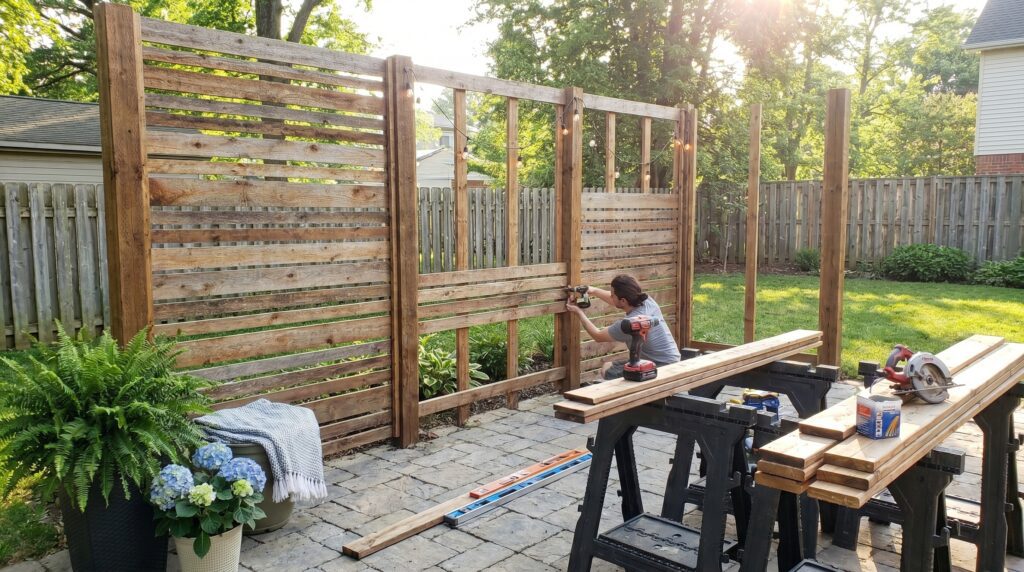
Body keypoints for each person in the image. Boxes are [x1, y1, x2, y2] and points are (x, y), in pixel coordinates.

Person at [564, 274, 681, 380]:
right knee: (611, 365)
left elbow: (597, 336)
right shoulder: (647, 301)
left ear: (623, 300)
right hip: (673, 361)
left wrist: (578, 312)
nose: (611, 296)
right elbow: (615, 300)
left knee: (607, 370)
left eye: (613, 295)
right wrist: (592, 290)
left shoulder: (629, 324)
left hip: (660, 369)